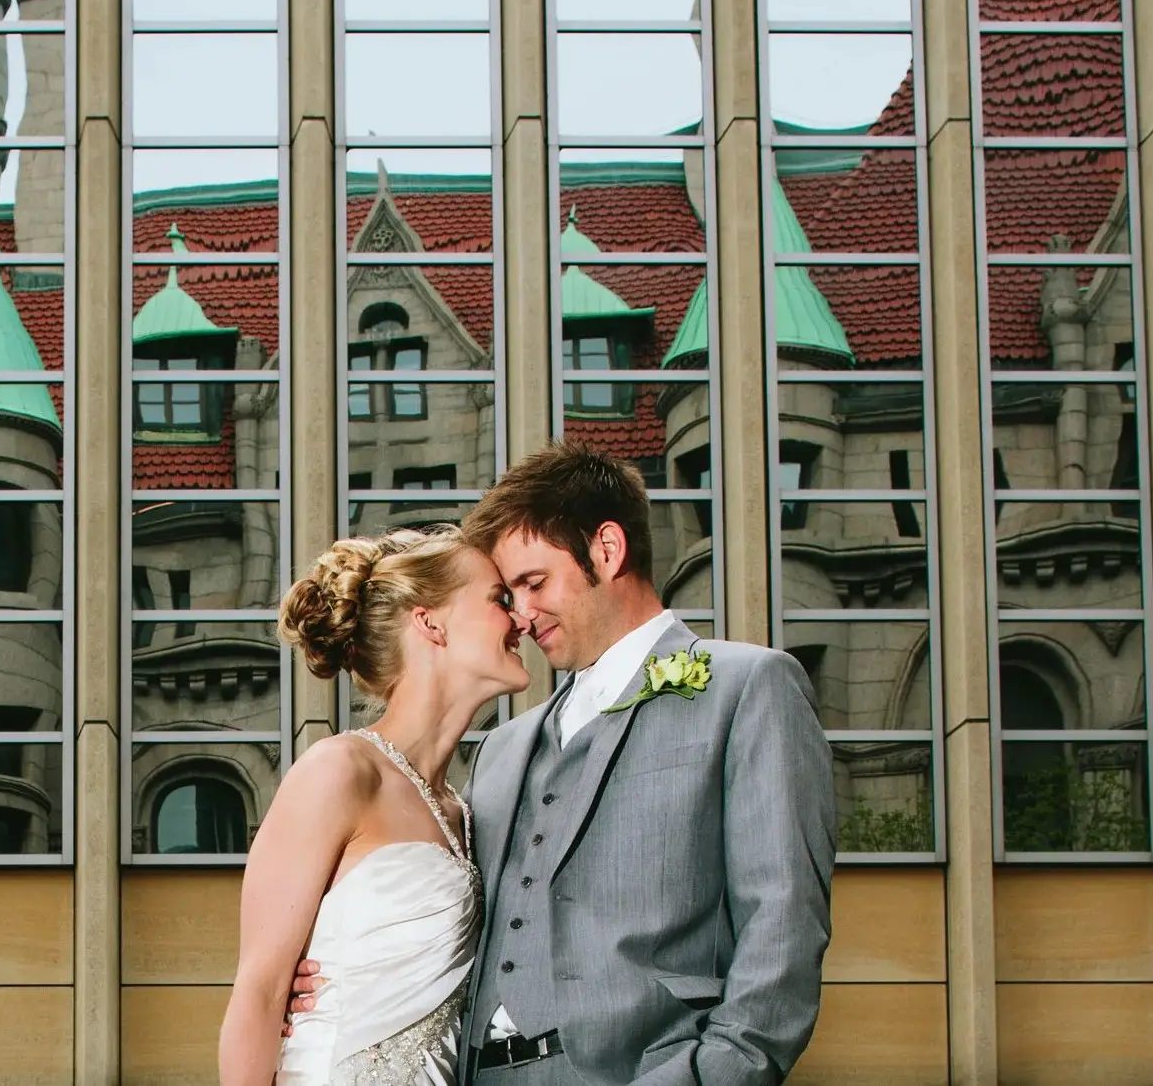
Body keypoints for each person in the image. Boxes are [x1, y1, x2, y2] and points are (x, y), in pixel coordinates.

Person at [287, 442, 837, 1085]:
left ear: (607, 550)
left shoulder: (748, 688)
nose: (520, 614)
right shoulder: (501, 748)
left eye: (533, 582)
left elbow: (784, 927)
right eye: (507, 594)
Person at [219, 526, 531, 1086]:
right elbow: (260, 994)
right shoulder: (339, 771)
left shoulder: (464, 812)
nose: (521, 618)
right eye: (499, 599)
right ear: (430, 621)